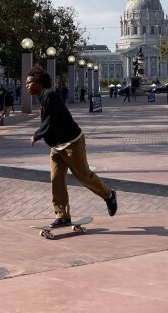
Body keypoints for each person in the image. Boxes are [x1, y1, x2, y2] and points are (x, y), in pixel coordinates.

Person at [27, 65, 117, 228]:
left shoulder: (50, 96)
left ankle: (109, 195)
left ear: (39, 82)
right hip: (57, 147)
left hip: (72, 143)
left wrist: (36, 135)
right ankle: (62, 215)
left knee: (84, 176)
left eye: (29, 82)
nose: (27, 85)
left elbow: (49, 120)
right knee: (56, 180)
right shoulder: (43, 97)